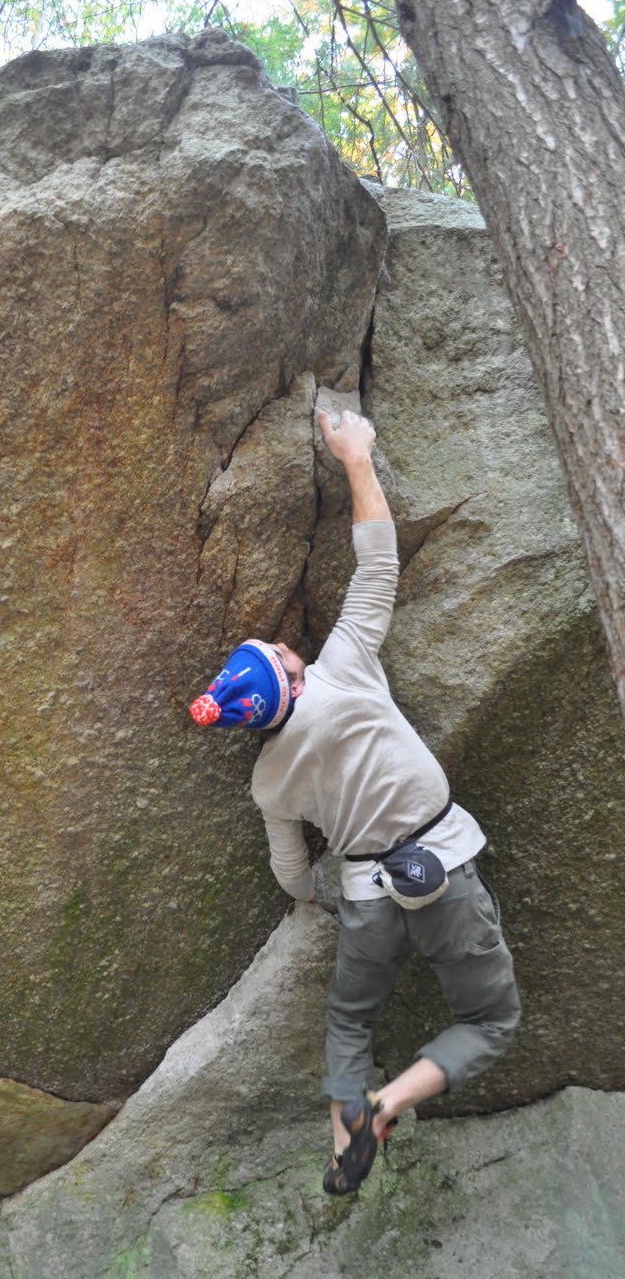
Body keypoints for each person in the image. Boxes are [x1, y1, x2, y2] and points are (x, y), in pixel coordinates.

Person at [188, 406, 521, 1195]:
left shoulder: (267, 780)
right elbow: (377, 564)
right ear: (289, 677)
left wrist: (313, 900)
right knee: (490, 1022)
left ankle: (344, 1129)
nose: (281, 640)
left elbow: (290, 870)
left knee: (347, 1021)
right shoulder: (342, 670)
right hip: (440, 869)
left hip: (367, 901)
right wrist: (356, 457)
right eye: (274, 649)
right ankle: (386, 1102)